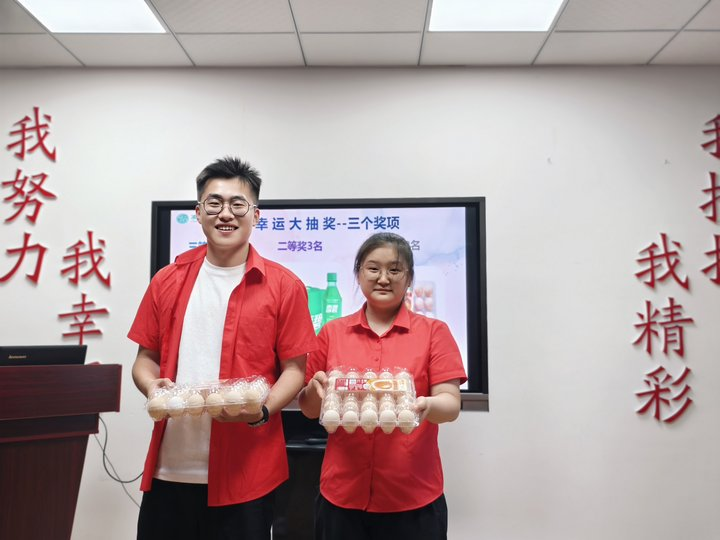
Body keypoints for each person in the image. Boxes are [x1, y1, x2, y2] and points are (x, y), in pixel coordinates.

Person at [129, 156, 317, 540]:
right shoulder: (166, 280)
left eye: (237, 204)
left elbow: (295, 370)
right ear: (198, 213)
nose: (225, 214)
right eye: (214, 203)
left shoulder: (285, 286)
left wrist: (261, 410)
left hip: (246, 475)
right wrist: (151, 386)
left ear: (256, 215)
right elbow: (145, 359)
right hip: (170, 470)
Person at [298, 232, 467, 540]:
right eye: (373, 268)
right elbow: (310, 409)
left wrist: (426, 405)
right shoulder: (332, 333)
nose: (384, 278)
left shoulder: (434, 332)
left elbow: (451, 404)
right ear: (359, 273)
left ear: (409, 278)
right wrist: (314, 392)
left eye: (395, 269)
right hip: (342, 495)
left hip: (413, 497)